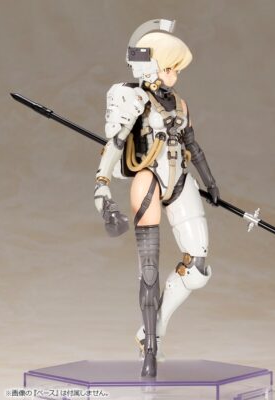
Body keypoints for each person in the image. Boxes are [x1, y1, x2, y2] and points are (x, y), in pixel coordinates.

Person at [93, 19, 219, 377]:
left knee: (198, 268)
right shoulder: (133, 98)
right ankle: (150, 348)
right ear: (149, 66)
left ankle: (154, 329)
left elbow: (192, 144)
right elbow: (116, 142)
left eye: (176, 69)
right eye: (168, 68)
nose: (174, 75)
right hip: (148, 180)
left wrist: (210, 181)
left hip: (180, 181)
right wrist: (102, 184)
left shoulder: (179, 103)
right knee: (149, 271)